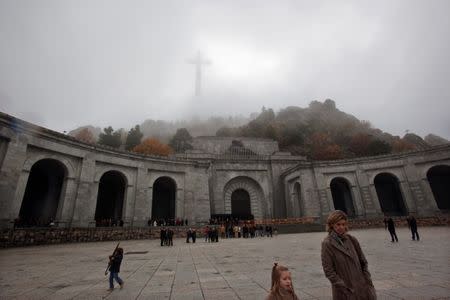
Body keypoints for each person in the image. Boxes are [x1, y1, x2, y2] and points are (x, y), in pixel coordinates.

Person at [321, 210, 376, 300]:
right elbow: (329, 271)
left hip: (362, 289)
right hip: (345, 293)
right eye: (338, 224)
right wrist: (344, 288)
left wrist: (367, 281)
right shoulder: (327, 244)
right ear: (332, 225)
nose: (341, 227)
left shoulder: (352, 240)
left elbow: (363, 262)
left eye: (343, 224)